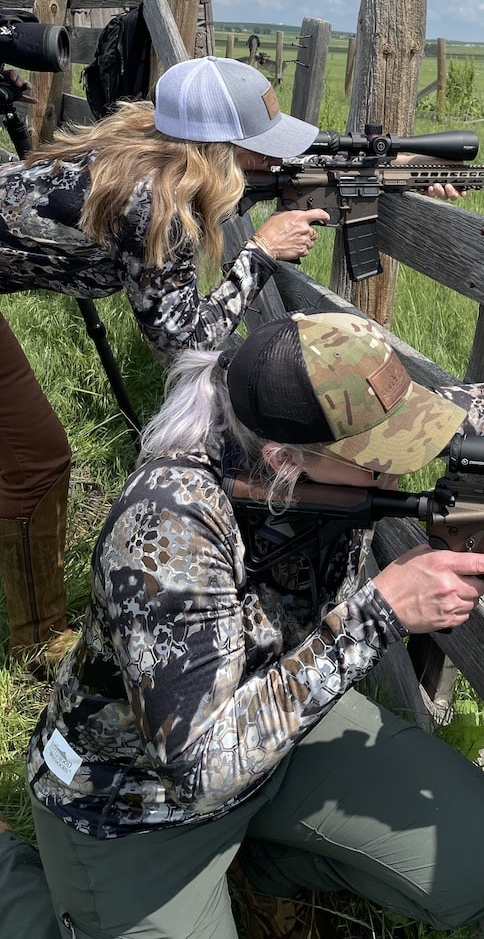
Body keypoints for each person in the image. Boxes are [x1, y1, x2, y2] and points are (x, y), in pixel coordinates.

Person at [23, 310, 484, 938]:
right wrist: (378, 615)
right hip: (137, 802)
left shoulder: (350, 409)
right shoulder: (168, 526)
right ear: (282, 458)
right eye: (377, 462)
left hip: (287, 729)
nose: (401, 469)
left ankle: (262, 867)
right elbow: (196, 769)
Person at [0, 55, 329, 673]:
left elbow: (268, 172)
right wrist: (258, 254)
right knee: (35, 456)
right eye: (257, 148)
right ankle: (37, 640)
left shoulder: (152, 140)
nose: (273, 161)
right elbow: (183, 349)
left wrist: (396, 174)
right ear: (216, 150)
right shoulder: (155, 205)